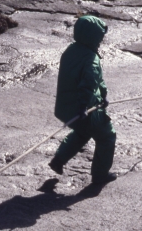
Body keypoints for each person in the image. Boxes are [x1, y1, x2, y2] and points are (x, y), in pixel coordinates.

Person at [48, 15, 117, 185]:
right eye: (100, 37)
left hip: (66, 109)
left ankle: (59, 159)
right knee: (106, 137)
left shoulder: (71, 50)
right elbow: (89, 84)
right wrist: (85, 106)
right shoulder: (91, 59)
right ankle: (100, 175)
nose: (101, 41)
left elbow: (87, 81)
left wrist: (103, 95)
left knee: (82, 133)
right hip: (86, 110)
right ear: (92, 37)